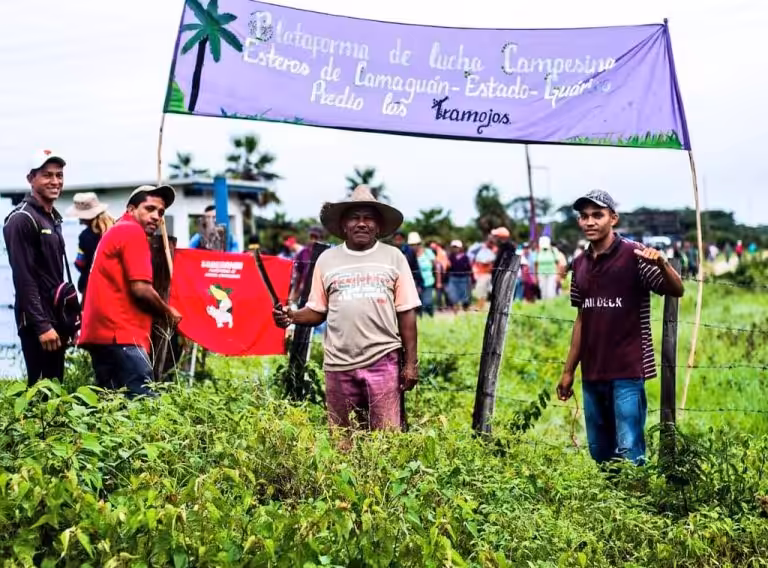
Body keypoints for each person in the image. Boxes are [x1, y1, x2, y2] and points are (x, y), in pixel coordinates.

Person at [273, 185, 420, 441]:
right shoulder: (327, 260)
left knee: (386, 439)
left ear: (378, 225)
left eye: (368, 217)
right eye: (354, 217)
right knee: (343, 439)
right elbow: (317, 311)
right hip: (338, 365)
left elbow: (406, 313)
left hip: (383, 359)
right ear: (343, 225)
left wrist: (410, 364)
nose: (361, 223)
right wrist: (292, 316)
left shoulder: (393, 257)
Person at [557, 190, 684, 465]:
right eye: (584, 216)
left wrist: (662, 263)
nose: (590, 222)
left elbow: (677, 289)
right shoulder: (579, 264)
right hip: (593, 371)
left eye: (598, 215)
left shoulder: (635, 255)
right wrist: (569, 371)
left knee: (630, 450)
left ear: (613, 218)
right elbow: (582, 319)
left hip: (628, 369)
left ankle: (637, 502)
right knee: (600, 451)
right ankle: (611, 504)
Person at [78, 185, 182, 397]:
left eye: (161, 212)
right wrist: (168, 313)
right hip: (121, 336)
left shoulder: (117, 230)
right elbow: (141, 289)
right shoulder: (132, 232)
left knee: (112, 409)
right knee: (144, 405)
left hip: (103, 335)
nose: (156, 217)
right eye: (150, 208)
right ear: (131, 209)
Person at [3, 150, 72, 385]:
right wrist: (42, 326)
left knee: (55, 389)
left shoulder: (52, 217)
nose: (55, 181)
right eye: (47, 175)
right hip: (37, 323)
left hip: (56, 319)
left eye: (59, 175)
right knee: (41, 392)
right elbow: (24, 278)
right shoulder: (21, 219)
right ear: (31, 179)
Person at [66, 192, 115, 303]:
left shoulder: (85, 237)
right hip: (114, 288)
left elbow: (80, 263)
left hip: (92, 290)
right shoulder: (115, 229)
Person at [289, 226, 325, 304]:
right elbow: (298, 274)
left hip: (320, 294)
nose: (313, 240)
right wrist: (294, 294)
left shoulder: (325, 253)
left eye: (316, 237)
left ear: (321, 239)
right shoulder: (303, 253)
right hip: (304, 292)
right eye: (311, 237)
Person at [409, 232, 440, 317]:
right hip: (416, 283)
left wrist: (438, 281)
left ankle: (430, 316)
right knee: (418, 304)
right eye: (411, 245)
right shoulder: (409, 255)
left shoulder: (428, 252)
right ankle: (421, 319)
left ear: (419, 244)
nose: (414, 246)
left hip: (428, 282)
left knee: (427, 302)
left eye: (415, 244)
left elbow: (437, 267)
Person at [446, 240, 472, 312]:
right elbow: (448, 269)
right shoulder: (450, 257)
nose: (455, 249)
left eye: (456, 247)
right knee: (453, 296)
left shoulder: (465, 257)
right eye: (453, 247)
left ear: (460, 248)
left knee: (464, 297)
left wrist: (471, 279)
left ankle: (465, 311)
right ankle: (455, 313)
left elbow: (469, 269)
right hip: (453, 278)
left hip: (463, 279)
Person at [534, 236, 562, 300]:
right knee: (543, 292)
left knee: (551, 292)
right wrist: (535, 277)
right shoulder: (538, 251)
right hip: (541, 274)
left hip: (552, 274)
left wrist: (558, 276)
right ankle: (544, 307)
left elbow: (558, 263)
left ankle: (551, 306)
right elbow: (536, 264)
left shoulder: (553, 250)